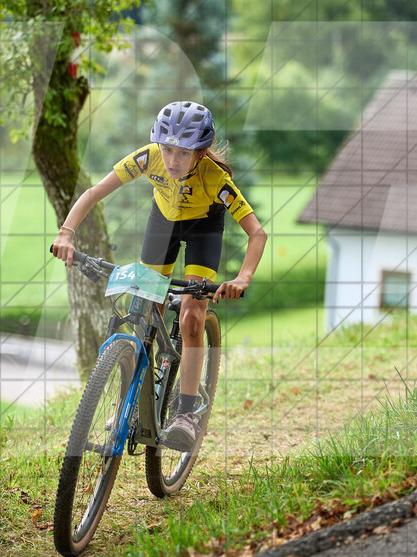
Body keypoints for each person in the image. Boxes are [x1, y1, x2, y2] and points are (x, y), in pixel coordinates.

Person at [51, 101, 267, 452]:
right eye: (167, 149)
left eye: (182, 153)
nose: (171, 160)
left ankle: (185, 412)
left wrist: (243, 277)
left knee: (192, 317)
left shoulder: (216, 178)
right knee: (142, 308)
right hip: (162, 225)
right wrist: (66, 232)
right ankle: (132, 404)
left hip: (203, 230)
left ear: (199, 152)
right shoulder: (146, 158)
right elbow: (94, 193)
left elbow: (257, 234)